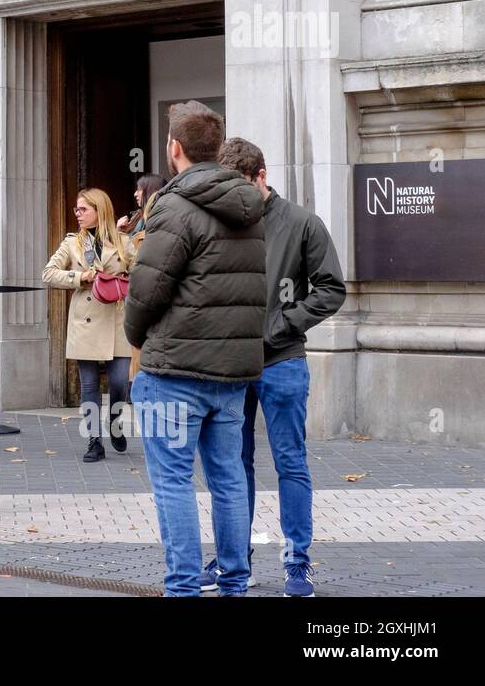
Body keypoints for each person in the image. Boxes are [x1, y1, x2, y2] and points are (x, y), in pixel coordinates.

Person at [123, 101, 267, 597]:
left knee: (174, 482)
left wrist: (136, 338)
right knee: (229, 479)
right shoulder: (251, 207)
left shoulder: (173, 205)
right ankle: (235, 582)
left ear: (175, 148)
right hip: (231, 372)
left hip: (175, 369)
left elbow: (147, 290)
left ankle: (183, 587)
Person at [217, 137, 346, 598]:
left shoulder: (302, 223)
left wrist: (283, 323)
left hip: (282, 361)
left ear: (262, 177)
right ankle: (236, 562)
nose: (237, 199)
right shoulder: (224, 219)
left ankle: (298, 562)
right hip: (231, 363)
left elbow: (331, 288)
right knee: (233, 466)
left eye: (242, 188)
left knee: (290, 463)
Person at [43, 187, 136, 462]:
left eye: (83, 209)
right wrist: (79, 276)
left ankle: (115, 423)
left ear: (100, 210)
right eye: (76, 209)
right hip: (85, 317)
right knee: (90, 386)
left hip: (117, 317)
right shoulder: (73, 242)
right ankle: (94, 441)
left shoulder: (122, 241)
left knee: (120, 382)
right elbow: (48, 273)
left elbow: (142, 270)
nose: (78, 214)